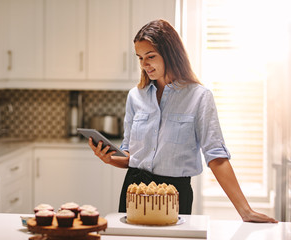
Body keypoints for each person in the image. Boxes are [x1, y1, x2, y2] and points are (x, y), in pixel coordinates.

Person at [87, 19, 277, 223]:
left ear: (170, 54)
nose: (144, 64)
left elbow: (216, 157)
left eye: (150, 56)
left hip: (175, 193)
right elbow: (130, 156)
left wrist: (245, 211)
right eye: (140, 58)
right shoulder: (135, 96)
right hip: (135, 190)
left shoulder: (199, 97)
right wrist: (109, 158)